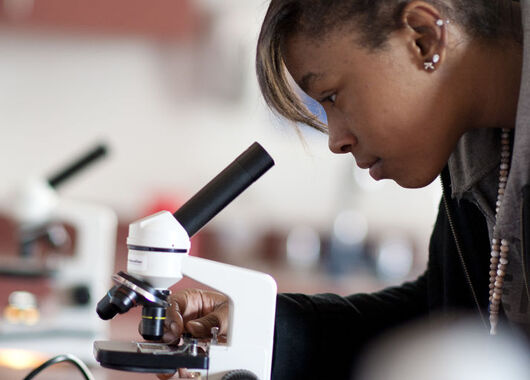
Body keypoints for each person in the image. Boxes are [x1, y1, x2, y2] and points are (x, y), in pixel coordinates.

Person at [158, 0, 530, 379]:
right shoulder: (480, 150)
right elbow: (442, 319)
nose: (335, 141)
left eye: (332, 96)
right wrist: (263, 332)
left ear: (423, 38)